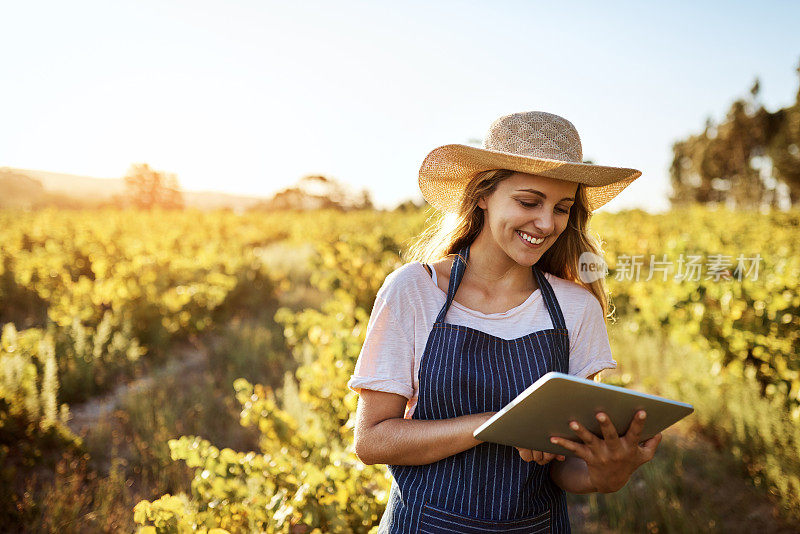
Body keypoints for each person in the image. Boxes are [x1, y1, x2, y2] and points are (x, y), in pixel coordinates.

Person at [348, 111, 663, 533]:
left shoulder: (575, 307)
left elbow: (566, 466)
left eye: (562, 208)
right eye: (529, 202)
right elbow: (371, 440)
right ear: (482, 194)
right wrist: (493, 425)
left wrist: (609, 474)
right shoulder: (415, 291)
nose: (547, 223)